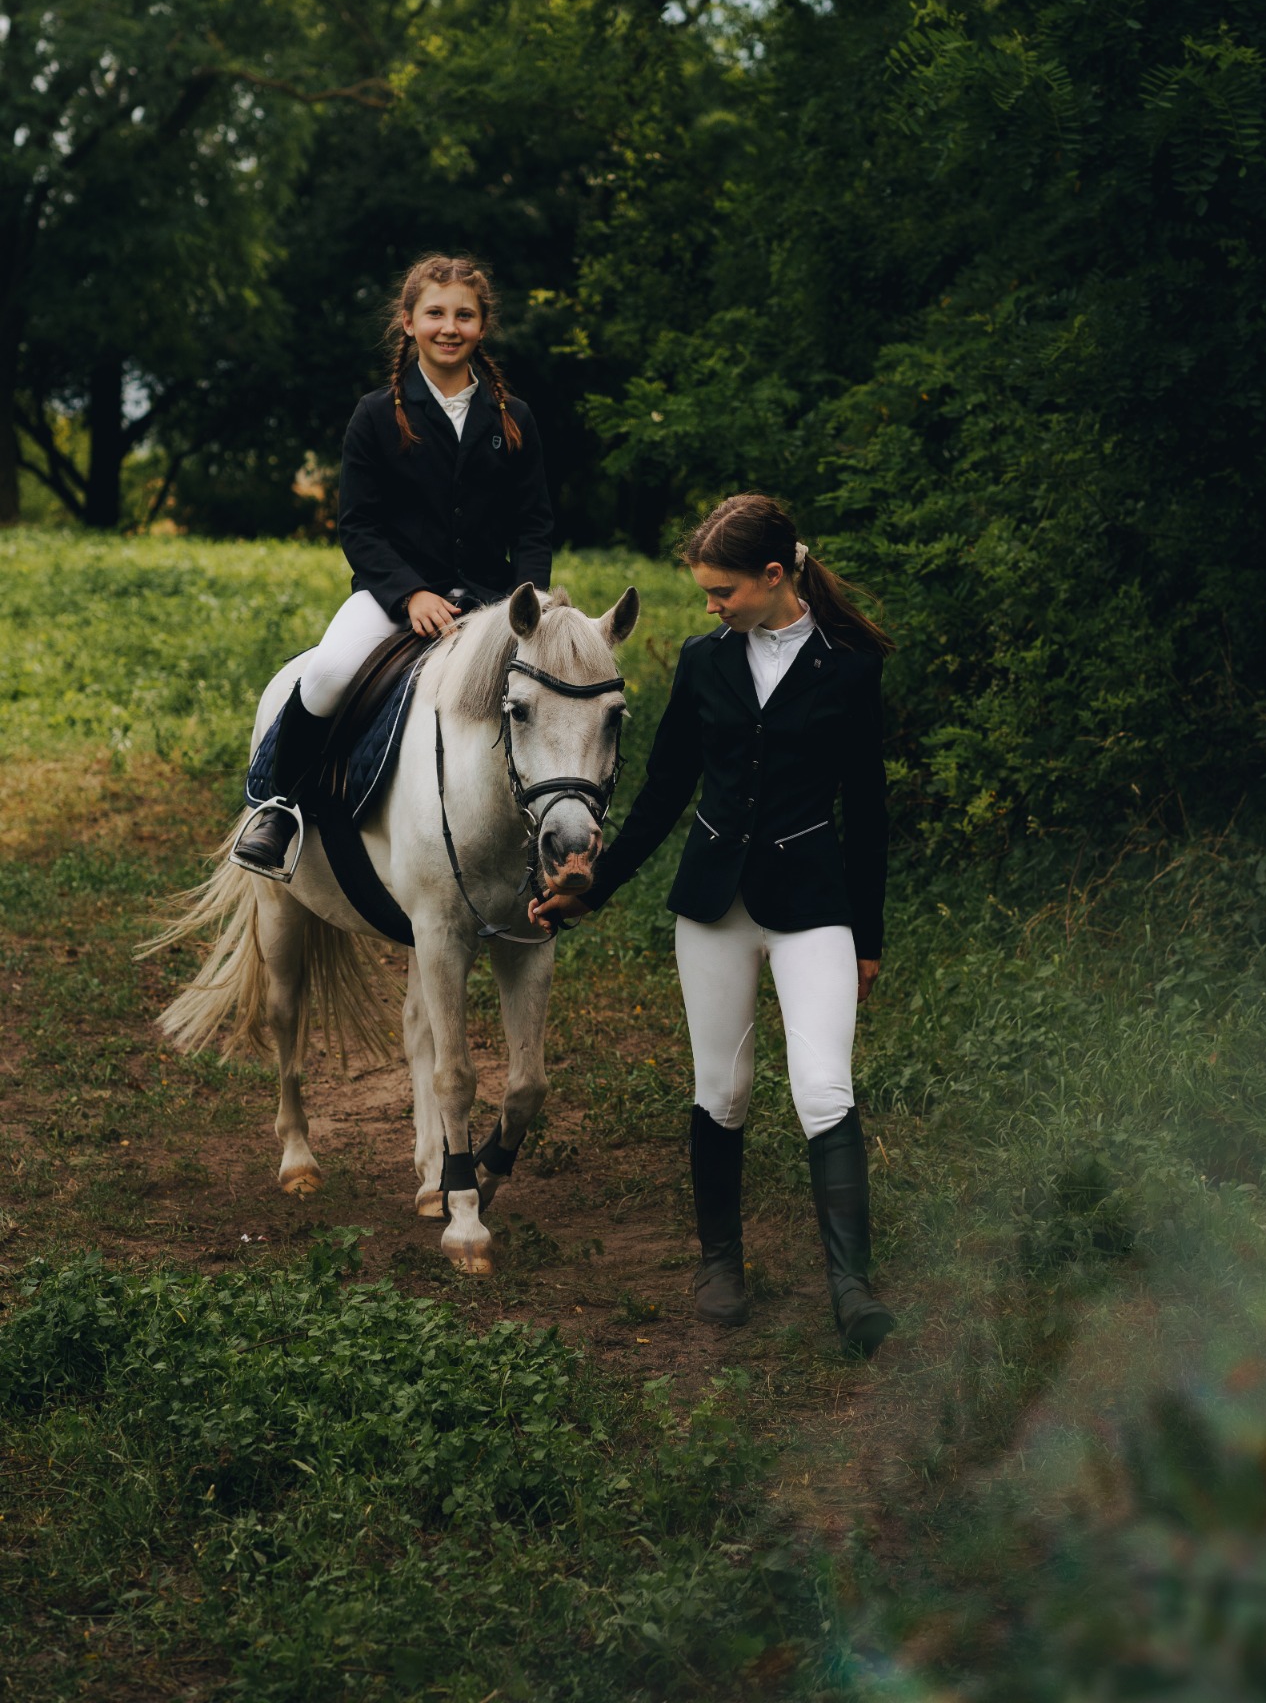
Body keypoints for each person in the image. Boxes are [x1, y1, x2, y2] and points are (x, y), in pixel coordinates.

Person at [532, 493, 896, 1357]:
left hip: (813, 908)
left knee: (822, 1090)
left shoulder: (849, 666)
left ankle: (852, 1287)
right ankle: (719, 1262)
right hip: (711, 908)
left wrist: (869, 937)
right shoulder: (703, 662)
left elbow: (868, 812)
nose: (709, 606)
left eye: (721, 590)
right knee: (721, 1092)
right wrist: (597, 886)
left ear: (774, 577)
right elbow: (662, 793)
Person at [234, 252, 554, 876]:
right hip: (394, 597)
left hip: (496, 601)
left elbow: (535, 525)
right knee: (326, 672)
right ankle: (279, 806)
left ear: (482, 327)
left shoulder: (515, 419)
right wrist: (409, 595)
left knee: (556, 691)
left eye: (464, 315)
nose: (449, 326)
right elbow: (359, 526)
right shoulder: (376, 415)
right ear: (408, 321)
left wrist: (529, 601)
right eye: (435, 313)